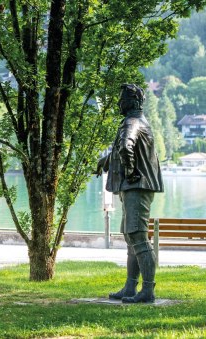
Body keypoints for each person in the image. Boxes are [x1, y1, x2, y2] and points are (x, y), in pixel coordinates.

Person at [96, 84, 163, 303]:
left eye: (121, 99)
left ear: (131, 102)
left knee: (138, 238)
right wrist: (106, 162)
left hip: (136, 187)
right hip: (135, 188)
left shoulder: (132, 123)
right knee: (131, 237)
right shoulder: (140, 123)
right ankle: (130, 287)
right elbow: (121, 150)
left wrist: (131, 173)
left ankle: (147, 291)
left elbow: (126, 147)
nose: (118, 103)